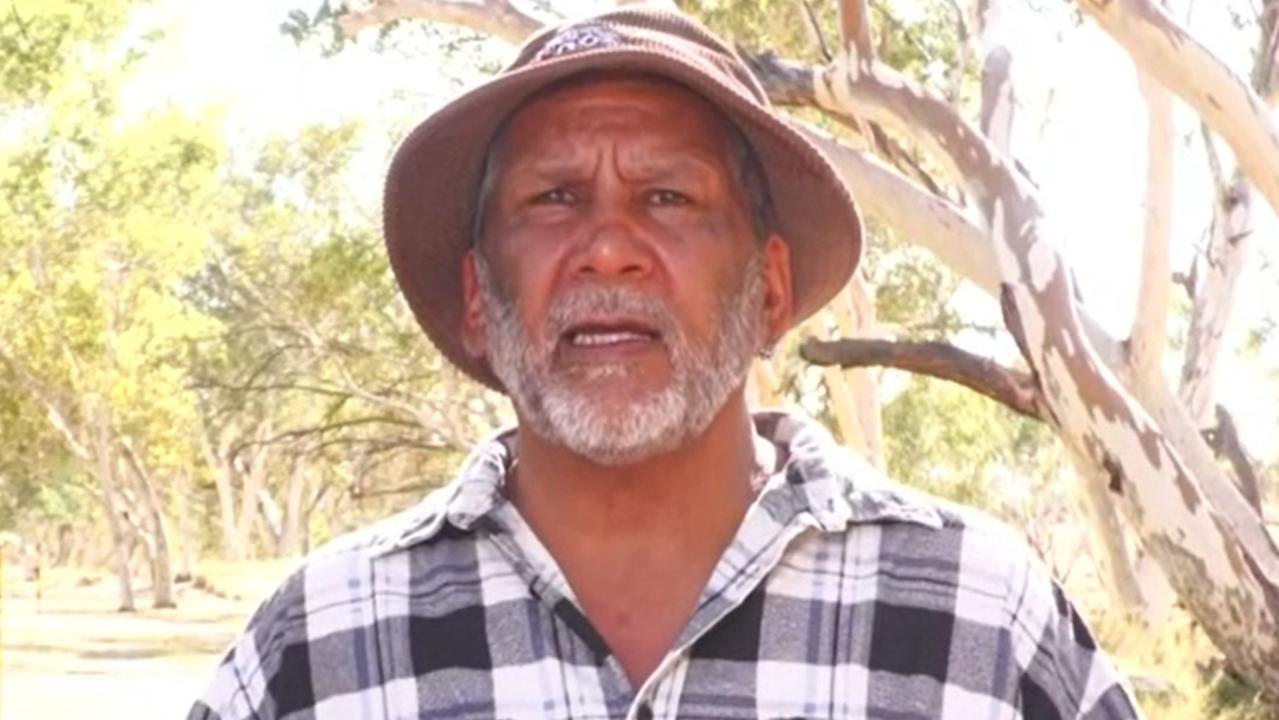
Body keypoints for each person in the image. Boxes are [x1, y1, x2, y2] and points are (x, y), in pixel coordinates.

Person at [189, 6, 1142, 719]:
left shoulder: (974, 616)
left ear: (768, 290)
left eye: (669, 198)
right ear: (480, 300)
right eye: (554, 198)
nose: (608, 248)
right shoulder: (322, 642)